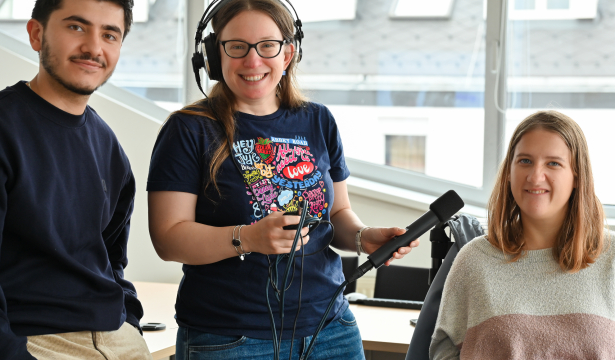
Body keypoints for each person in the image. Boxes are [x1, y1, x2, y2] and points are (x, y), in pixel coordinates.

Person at [146, 0, 419, 359]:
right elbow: (168, 238)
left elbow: (336, 214)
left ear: (288, 53)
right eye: (237, 46)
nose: (253, 60)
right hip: (230, 338)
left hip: (330, 330)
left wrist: (363, 237)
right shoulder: (189, 129)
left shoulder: (319, 120)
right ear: (215, 54)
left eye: (267, 46)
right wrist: (248, 238)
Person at [0, 0, 153, 359]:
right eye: (76, 27)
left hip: (119, 340)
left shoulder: (108, 145)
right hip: (37, 342)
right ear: (36, 34)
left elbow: (111, 259)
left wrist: (130, 321)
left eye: (109, 34)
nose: (94, 47)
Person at [429, 110, 615, 359]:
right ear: (509, 172)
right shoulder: (473, 260)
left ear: (577, 176)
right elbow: (443, 353)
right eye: (525, 161)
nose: (535, 176)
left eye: (553, 163)